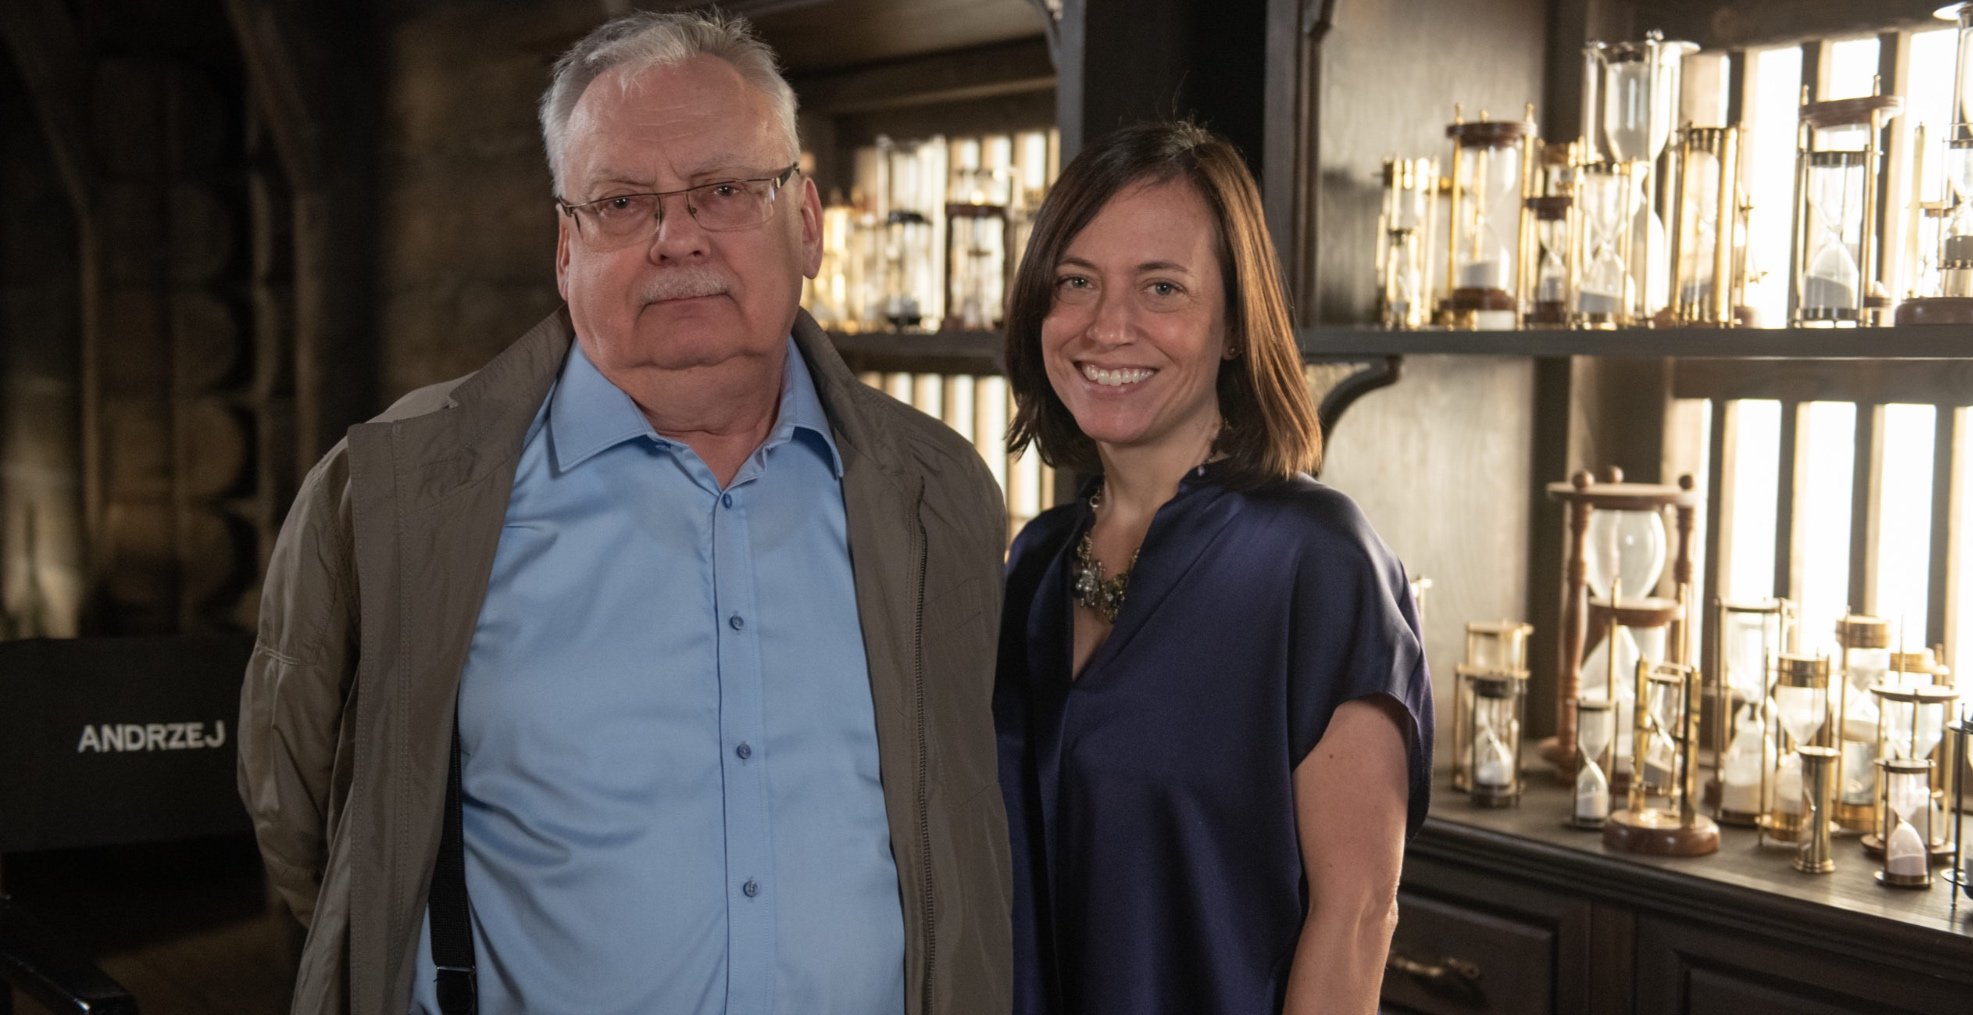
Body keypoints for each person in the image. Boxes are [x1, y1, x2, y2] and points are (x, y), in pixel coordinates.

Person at [236, 11, 1011, 1014]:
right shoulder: (389, 494)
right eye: (620, 201)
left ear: (809, 221)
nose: (675, 235)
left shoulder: (938, 492)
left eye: (725, 190)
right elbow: (311, 826)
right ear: (566, 247)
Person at [993, 121, 1434, 1015]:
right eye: (1076, 281)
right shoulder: (1033, 562)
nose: (1108, 325)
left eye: (1162, 287)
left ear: (1234, 324)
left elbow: (1356, 914)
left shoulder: (1318, 562)